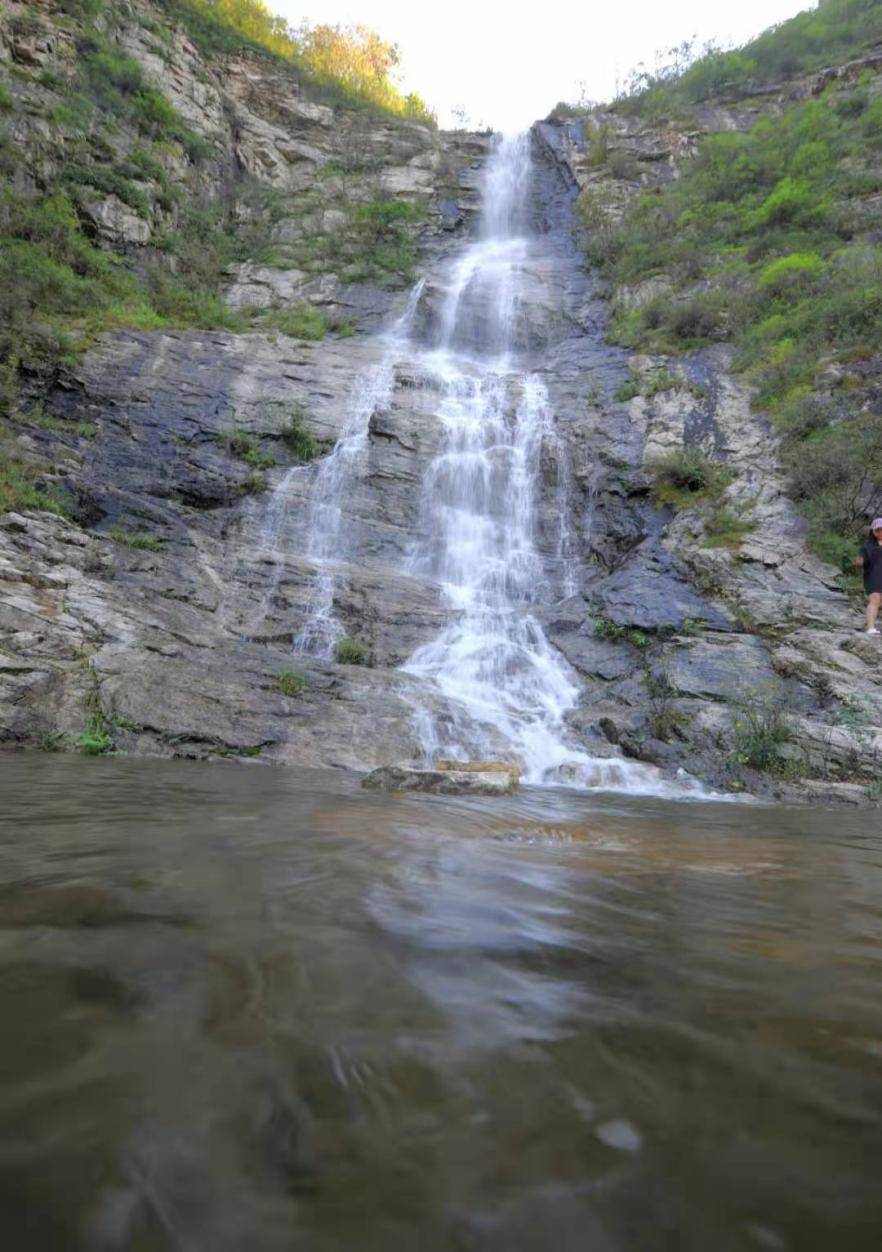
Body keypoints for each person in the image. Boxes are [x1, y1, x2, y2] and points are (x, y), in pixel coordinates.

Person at [855, 517, 882, 635]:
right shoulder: (867, 546)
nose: (880, 532)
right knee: (875, 598)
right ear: (873, 531)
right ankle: (870, 628)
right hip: (872, 575)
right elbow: (859, 560)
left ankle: (868, 623)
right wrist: (859, 561)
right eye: (878, 530)